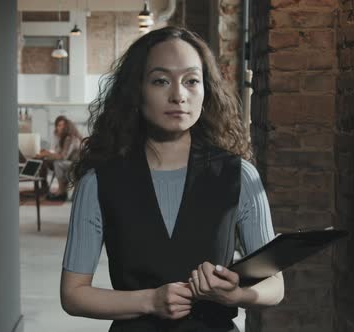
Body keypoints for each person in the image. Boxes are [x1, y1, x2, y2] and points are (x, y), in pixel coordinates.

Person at [60, 26, 284, 331]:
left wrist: (238, 294)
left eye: (192, 81)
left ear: (206, 92)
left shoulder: (239, 175)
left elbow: (275, 285)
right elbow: (73, 295)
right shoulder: (99, 182)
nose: (178, 95)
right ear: (136, 91)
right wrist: (149, 301)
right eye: (161, 80)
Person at [36, 115, 82, 201]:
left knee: (57, 163)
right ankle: (55, 190)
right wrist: (47, 153)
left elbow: (63, 156)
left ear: (67, 126)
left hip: (77, 165)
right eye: (58, 125)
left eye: (61, 125)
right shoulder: (65, 138)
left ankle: (61, 192)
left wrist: (46, 153)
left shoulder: (70, 138)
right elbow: (57, 151)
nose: (58, 128)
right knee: (51, 162)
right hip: (71, 163)